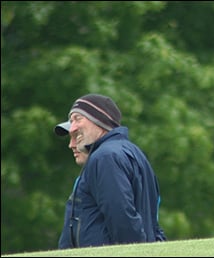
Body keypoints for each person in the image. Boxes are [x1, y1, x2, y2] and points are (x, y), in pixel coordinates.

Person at [53, 93, 166, 249]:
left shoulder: (105, 157)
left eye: (78, 119)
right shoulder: (132, 152)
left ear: (99, 120)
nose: (72, 128)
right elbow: (151, 224)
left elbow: (122, 220)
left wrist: (139, 252)